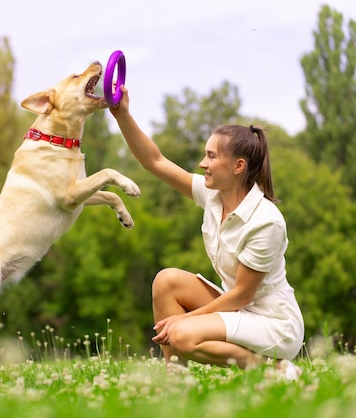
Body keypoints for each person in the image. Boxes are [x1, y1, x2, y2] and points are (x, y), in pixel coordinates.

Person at [110, 85, 305, 378]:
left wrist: (182, 323)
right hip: (241, 310)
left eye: (212, 157)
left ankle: (274, 370)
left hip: (273, 324)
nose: (203, 164)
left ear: (238, 166)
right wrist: (122, 114)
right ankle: (175, 385)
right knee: (166, 282)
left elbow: (240, 296)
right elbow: (155, 161)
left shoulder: (267, 221)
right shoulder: (213, 195)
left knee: (183, 335)